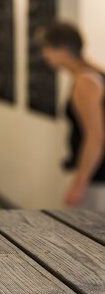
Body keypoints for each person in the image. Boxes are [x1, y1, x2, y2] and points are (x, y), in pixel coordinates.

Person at [40, 22, 105, 209]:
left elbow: (95, 137)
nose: (44, 55)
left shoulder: (85, 82)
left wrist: (79, 184)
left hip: (97, 179)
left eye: (47, 49)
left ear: (63, 50)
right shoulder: (92, 73)